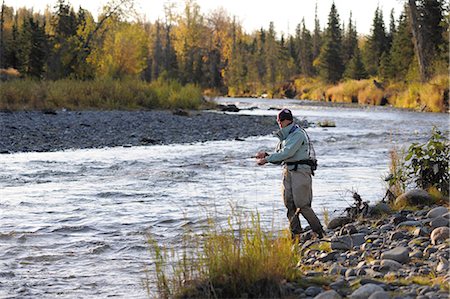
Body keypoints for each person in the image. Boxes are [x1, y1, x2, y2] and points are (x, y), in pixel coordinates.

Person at [255, 108, 325, 239]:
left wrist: (266, 160)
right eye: (278, 120)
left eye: (281, 120)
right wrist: (267, 155)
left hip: (301, 172)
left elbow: (287, 153)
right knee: (289, 204)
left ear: (288, 120)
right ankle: (295, 234)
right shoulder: (284, 137)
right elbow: (281, 156)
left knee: (303, 204)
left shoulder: (298, 134)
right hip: (288, 171)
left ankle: (320, 232)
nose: (279, 123)